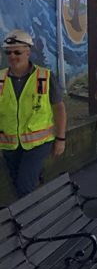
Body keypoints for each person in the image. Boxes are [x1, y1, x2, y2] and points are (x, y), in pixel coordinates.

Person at [0, 30, 67, 198]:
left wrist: (60, 138)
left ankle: (31, 221)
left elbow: (59, 108)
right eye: (8, 52)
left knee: (24, 187)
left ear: (28, 52)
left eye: (17, 52)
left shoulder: (44, 77)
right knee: (17, 183)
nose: (12, 56)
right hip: (10, 144)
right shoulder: (1, 79)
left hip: (38, 143)